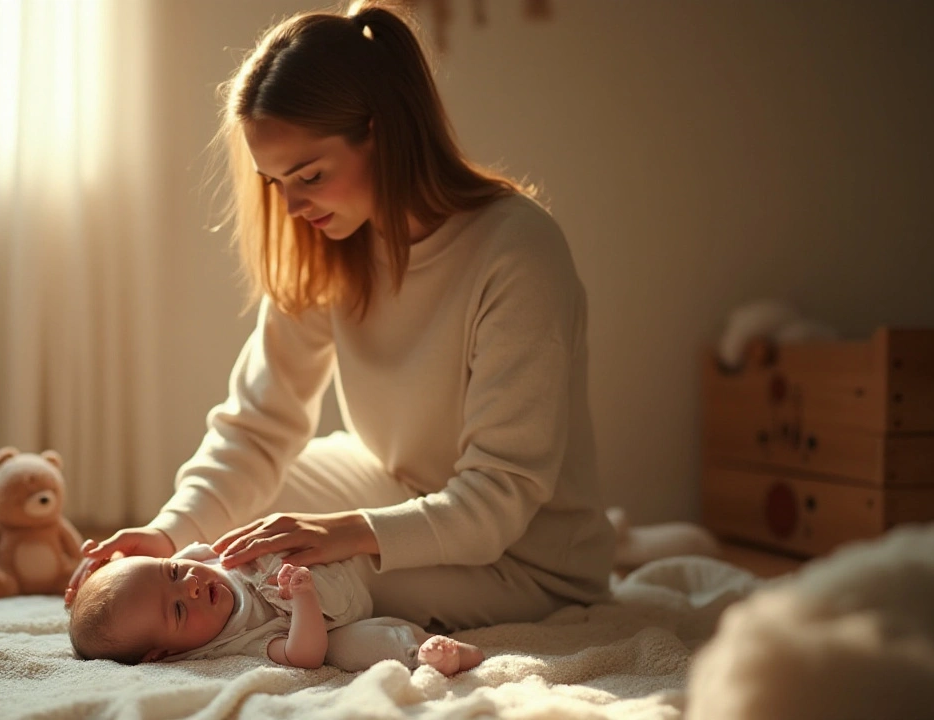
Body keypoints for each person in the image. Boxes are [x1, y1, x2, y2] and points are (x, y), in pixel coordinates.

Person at [76, 0, 614, 639]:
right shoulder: (332, 245)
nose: (293, 205)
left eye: (309, 175)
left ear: (383, 132)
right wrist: (168, 532)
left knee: (318, 575)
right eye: (276, 183)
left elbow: (498, 498)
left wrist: (346, 532)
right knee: (233, 530)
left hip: (524, 559)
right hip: (401, 485)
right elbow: (256, 429)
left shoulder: (517, 250)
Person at [65, 542, 484, 674]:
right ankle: (434, 650)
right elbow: (305, 655)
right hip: (339, 613)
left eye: (173, 571)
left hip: (341, 556)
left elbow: (211, 547)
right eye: (176, 611)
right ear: (163, 654)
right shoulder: (233, 642)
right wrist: (303, 600)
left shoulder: (204, 560)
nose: (191, 586)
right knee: (356, 650)